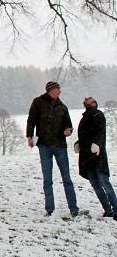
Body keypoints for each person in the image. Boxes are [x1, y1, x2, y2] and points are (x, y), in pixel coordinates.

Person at [26, 80, 79, 217]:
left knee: (66, 178)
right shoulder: (37, 102)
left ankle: (74, 208)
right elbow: (31, 120)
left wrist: (68, 130)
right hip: (43, 146)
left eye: (59, 90)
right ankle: (49, 209)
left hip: (60, 145)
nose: (60, 92)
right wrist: (29, 136)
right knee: (47, 179)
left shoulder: (63, 107)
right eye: (57, 90)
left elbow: (69, 125)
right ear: (50, 90)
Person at [75, 97, 117, 219]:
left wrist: (97, 144)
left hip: (98, 155)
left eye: (90, 99)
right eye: (86, 99)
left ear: (94, 103)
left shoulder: (98, 115)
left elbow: (100, 132)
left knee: (104, 183)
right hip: (86, 157)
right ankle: (108, 210)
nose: (86, 99)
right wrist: (78, 143)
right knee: (96, 185)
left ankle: (116, 210)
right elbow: (84, 135)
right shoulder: (84, 117)